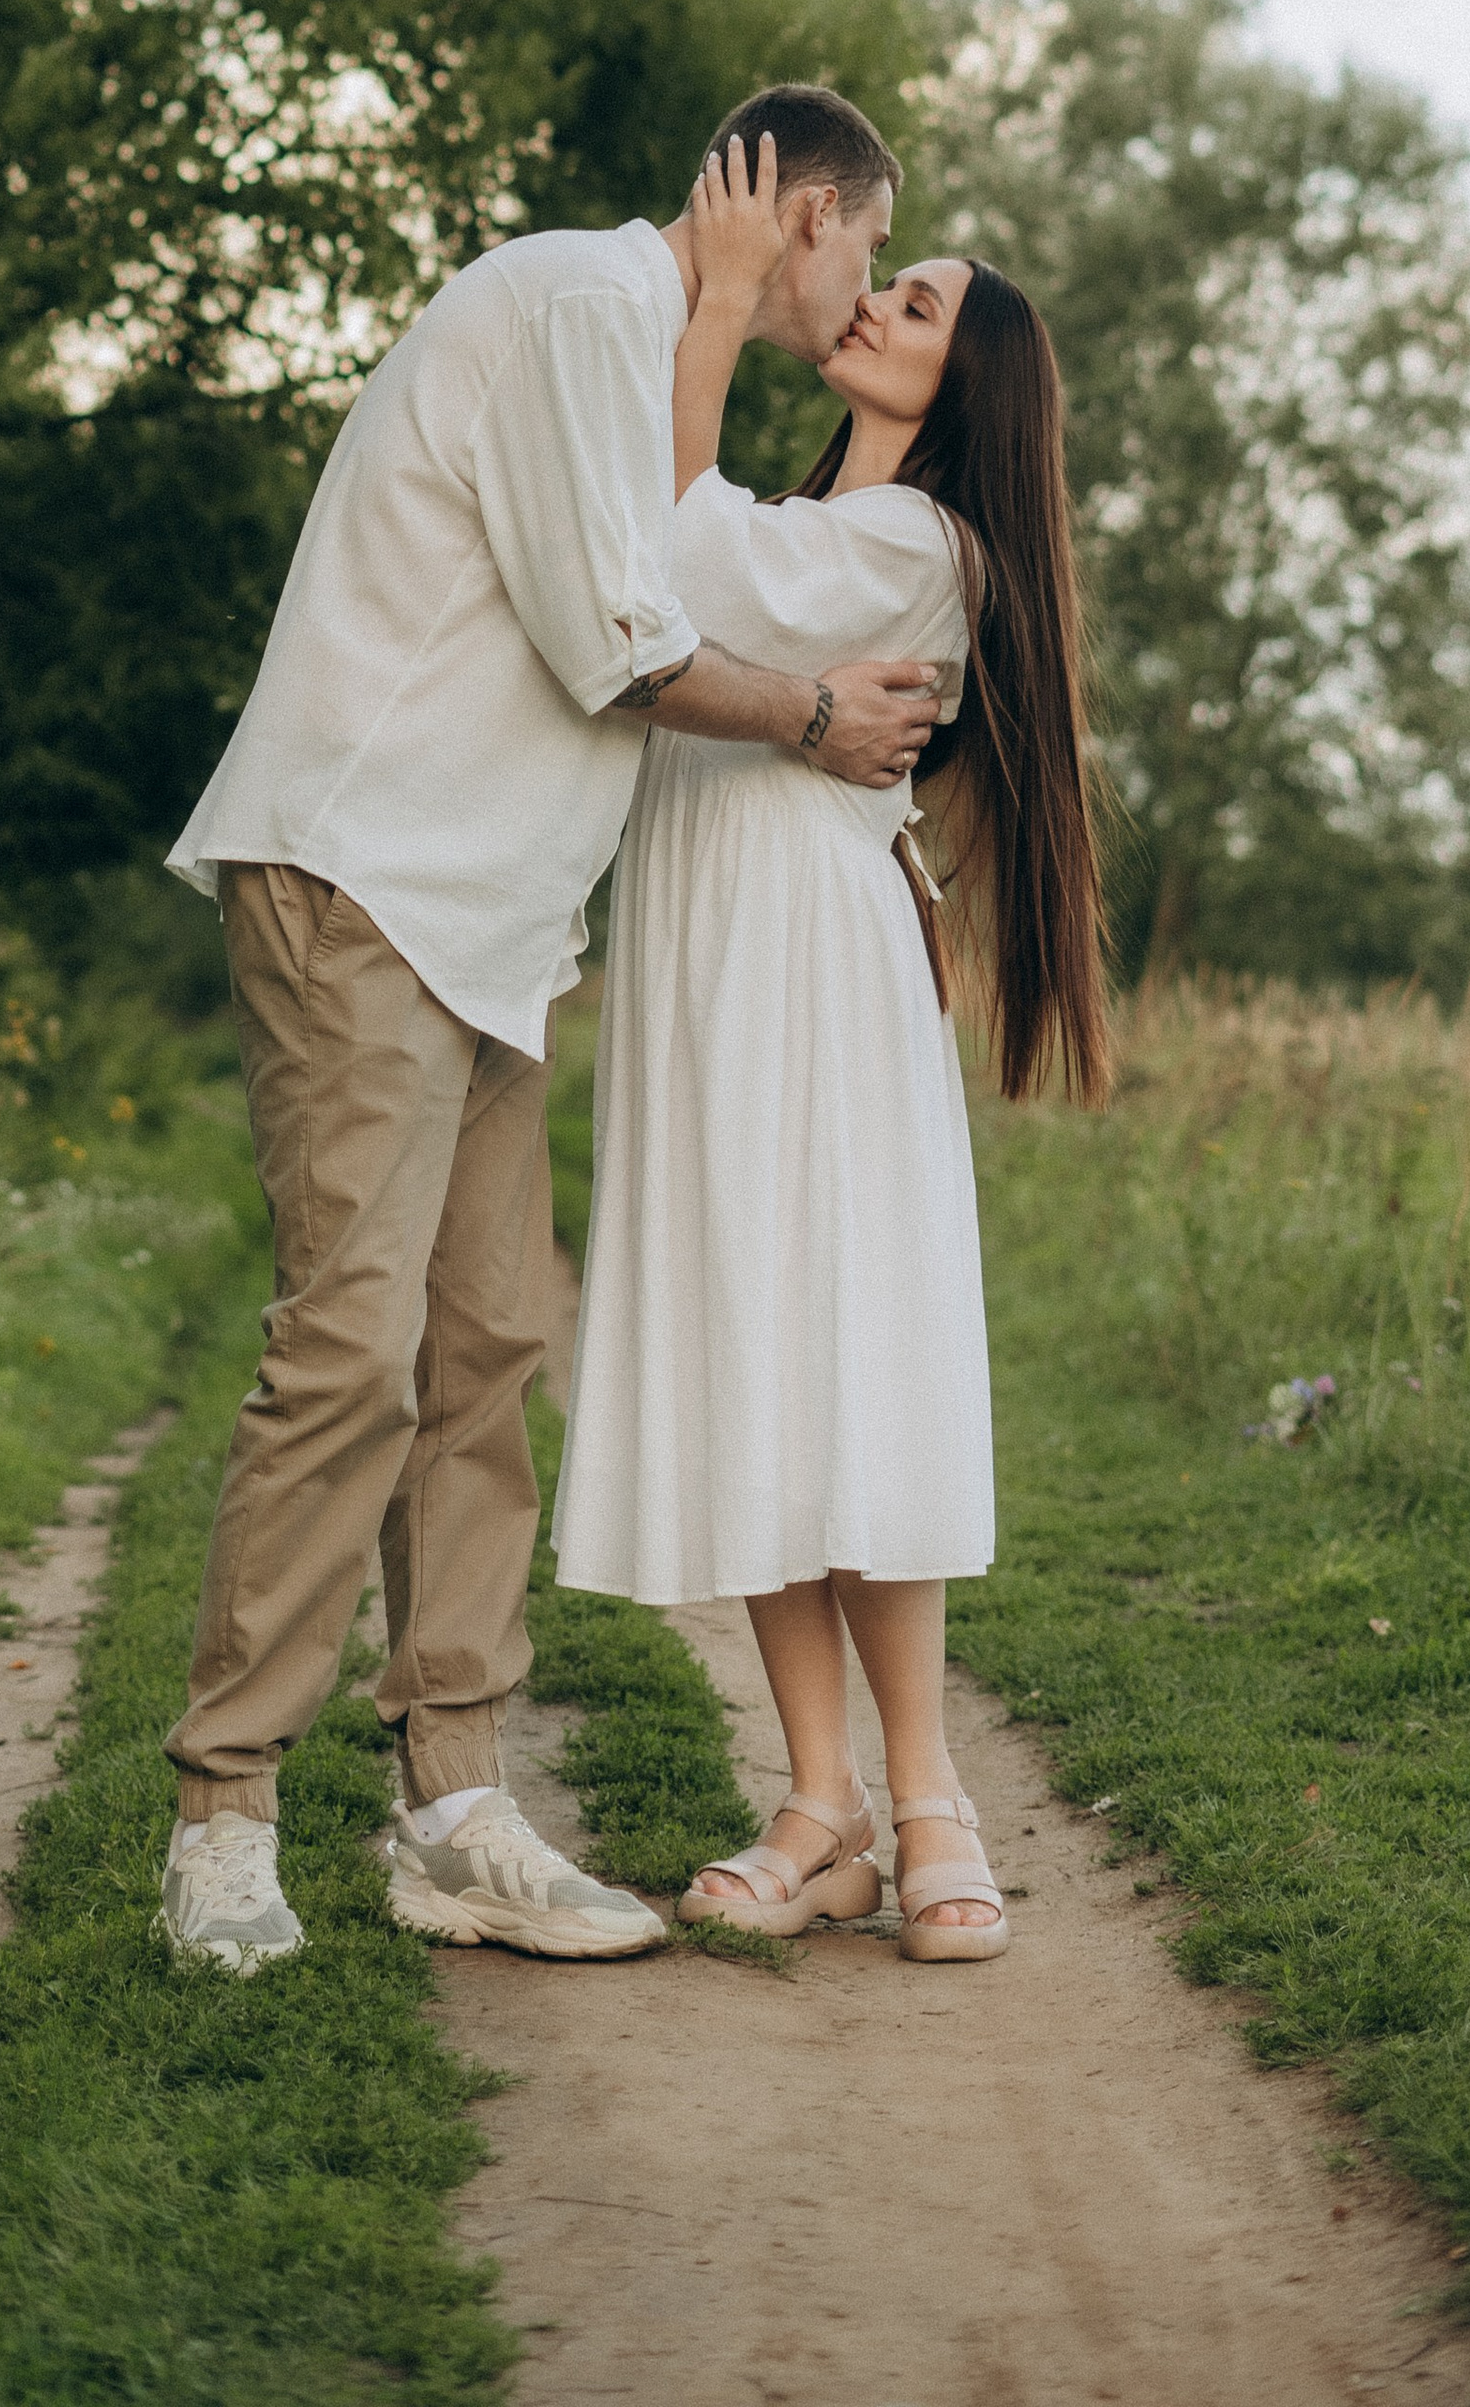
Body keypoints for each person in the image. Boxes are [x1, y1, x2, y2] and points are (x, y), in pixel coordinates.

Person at [153, 86, 941, 1973]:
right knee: (351, 1354)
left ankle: (454, 1806)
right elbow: (623, 637)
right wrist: (821, 723)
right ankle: (221, 1822)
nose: (851, 302)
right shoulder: (579, 302)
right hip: (364, 877)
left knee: (489, 1346)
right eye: (864, 250)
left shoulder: (623, 337)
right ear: (803, 211)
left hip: (487, 928)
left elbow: (656, 567)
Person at [554, 135, 1109, 1961]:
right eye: (891, 276)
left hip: (818, 969)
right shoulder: (825, 522)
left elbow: (672, 542)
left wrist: (716, 303)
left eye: (922, 301)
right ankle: (822, 1806)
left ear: (972, 383)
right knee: (754, 1356)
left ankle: (932, 1790)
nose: (881, 297)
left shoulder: (926, 546)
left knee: (854, 1350)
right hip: (707, 956)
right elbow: (662, 590)